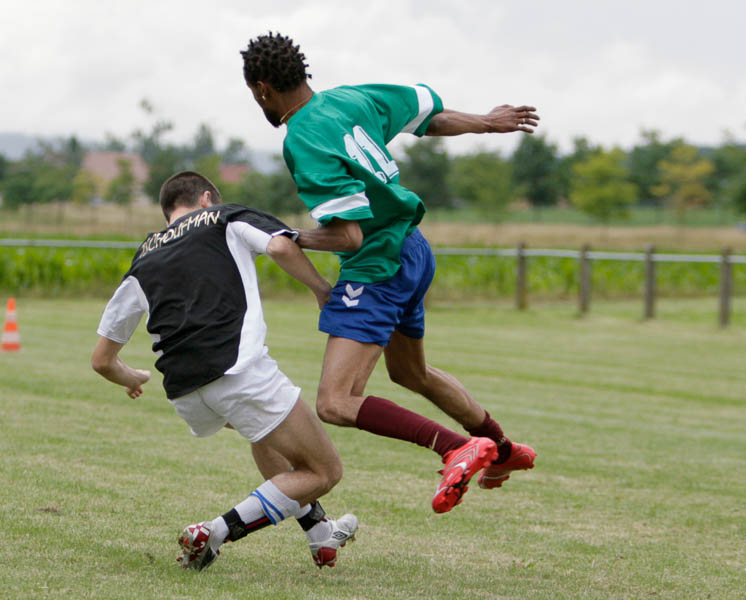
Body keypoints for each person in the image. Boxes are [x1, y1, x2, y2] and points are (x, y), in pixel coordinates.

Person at [240, 32, 538, 514]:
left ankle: (454, 447)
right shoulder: (351, 98)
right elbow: (429, 116)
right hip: (413, 249)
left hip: (376, 264)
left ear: (262, 90)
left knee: (335, 402)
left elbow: (348, 236)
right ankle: (501, 449)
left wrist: (287, 239)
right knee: (410, 372)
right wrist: (485, 122)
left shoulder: (302, 139)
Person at [90, 171, 358, 571]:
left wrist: (131, 377)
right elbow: (281, 247)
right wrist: (321, 289)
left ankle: (319, 532)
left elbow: (102, 359)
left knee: (263, 436)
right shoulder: (224, 217)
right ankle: (214, 531)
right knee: (324, 470)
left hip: (184, 391)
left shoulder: (145, 255)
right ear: (206, 198)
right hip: (237, 371)